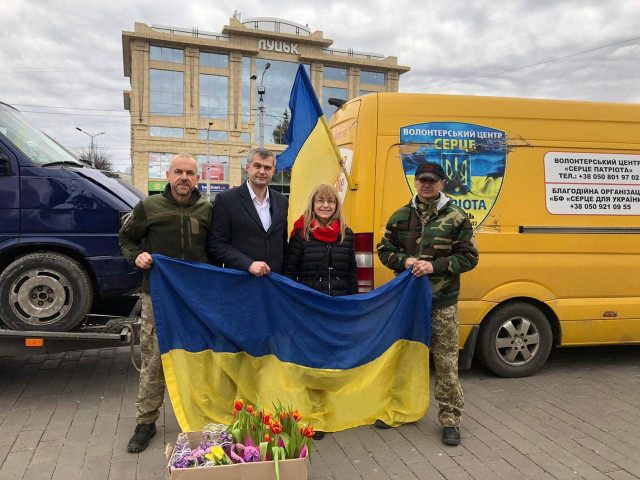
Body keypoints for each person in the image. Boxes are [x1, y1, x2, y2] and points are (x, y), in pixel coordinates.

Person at [377, 161, 479, 446]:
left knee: (445, 363)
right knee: (403, 357)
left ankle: (450, 419)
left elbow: (470, 257)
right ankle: (399, 410)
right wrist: (405, 261)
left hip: (442, 302)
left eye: (432, 180)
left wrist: (435, 266)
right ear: (416, 181)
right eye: (422, 179)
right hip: (408, 303)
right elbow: (384, 250)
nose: (426, 184)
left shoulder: (456, 217)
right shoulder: (401, 215)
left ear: (442, 183)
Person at [119, 153, 212, 453]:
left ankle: (199, 418)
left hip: (195, 298)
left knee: (199, 358)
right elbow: (126, 238)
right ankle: (145, 422)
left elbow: (216, 249)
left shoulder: (207, 209)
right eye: (178, 172)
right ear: (168, 175)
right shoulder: (148, 207)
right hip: (157, 296)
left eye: (190, 173)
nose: (184, 177)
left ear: (197, 178)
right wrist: (137, 256)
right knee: (154, 360)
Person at [207, 148, 288, 275]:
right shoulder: (226, 199)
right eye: (257, 166)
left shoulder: (282, 201)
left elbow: (282, 244)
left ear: (273, 171)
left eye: (267, 167)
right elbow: (216, 244)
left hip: (274, 280)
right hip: (241, 279)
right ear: (247, 167)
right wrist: (248, 264)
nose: (262, 171)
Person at [283, 183, 357, 297]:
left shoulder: (346, 234)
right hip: (309, 301)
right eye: (320, 200)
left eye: (331, 201)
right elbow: (290, 272)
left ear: (337, 205)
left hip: (340, 301)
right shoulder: (301, 233)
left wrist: (354, 301)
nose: (325, 205)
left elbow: (352, 274)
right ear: (313, 204)